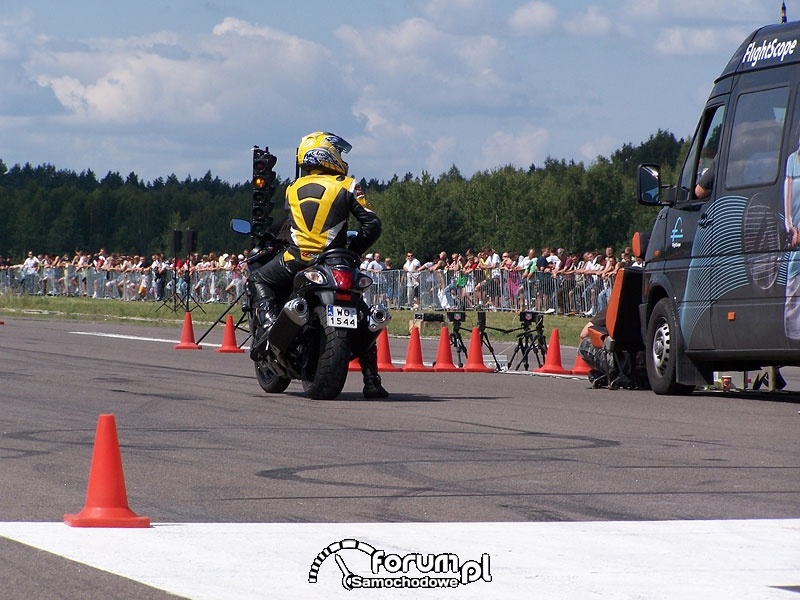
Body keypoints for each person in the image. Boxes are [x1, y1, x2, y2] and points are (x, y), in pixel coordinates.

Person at [247, 131, 387, 398]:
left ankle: (267, 326)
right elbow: (372, 225)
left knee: (259, 279)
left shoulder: (293, 188)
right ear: (327, 154)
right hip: (336, 260)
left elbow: (291, 227)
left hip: (297, 259)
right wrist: (352, 252)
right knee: (361, 309)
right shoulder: (347, 185)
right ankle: (371, 379)